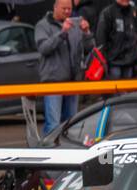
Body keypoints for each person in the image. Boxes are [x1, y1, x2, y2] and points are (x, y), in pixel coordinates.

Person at [35, 0, 93, 136]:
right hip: (53, 81)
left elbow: (89, 48)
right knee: (54, 124)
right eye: (64, 9)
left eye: (69, 9)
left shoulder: (75, 24)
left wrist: (87, 33)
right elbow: (44, 49)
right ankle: (48, 151)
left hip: (72, 81)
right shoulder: (42, 25)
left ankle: (67, 151)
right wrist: (62, 33)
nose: (67, 12)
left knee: (71, 123)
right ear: (55, 7)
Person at [96, 0, 137, 79]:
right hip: (113, 64)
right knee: (114, 90)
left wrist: (136, 57)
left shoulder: (132, 13)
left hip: (129, 63)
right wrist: (104, 61)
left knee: (128, 91)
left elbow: (136, 35)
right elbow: (101, 39)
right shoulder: (108, 13)